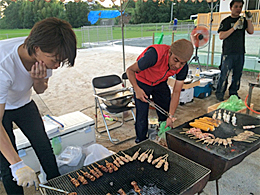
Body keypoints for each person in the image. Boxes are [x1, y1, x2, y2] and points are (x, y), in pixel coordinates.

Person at [0, 17, 77, 195]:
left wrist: (37, 79)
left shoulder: (46, 53)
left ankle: (58, 189)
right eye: (56, 60)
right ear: (36, 49)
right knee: (8, 164)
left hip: (24, 102)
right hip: (3, 108)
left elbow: (41, 90)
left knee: (44, 148)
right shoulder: (4, 65)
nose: (57, 66)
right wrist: (17, 164)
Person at [126, 39, 194, 143]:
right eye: (175, 60)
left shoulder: (182, 68)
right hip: (142, 81)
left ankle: (163, 134)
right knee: (142, 114)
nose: (177, 66)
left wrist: (171, 116)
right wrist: (136, 89)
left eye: (182, 63)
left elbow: (176, 92)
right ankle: (141, 141)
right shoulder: (154, 55)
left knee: (165, 111)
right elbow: (130, 70)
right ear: (170, 52)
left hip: (160, 82)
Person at [215, 0, 254, 101]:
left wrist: (249, 19)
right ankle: (220, 93)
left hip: (240, 52)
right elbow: (221, 36)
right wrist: (234, 27)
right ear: (231, 8)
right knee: (224, 74)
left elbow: (251, 31)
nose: (238, 9)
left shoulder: (243, 20)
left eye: (240, 7)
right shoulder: (226, 21)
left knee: (237, 75)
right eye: (236, 6)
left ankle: (233, 92)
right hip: (228, 53)